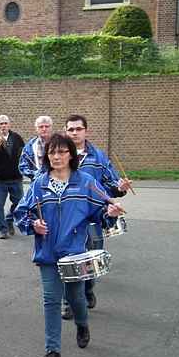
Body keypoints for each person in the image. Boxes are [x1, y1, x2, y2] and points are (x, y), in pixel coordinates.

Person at [15, 133, 125, 357]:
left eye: (62, 151)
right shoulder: (38, 183)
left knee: (76, 297)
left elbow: (102, 212)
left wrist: (110, 214)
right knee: (51, 300)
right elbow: (22, 213)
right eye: (52, 152)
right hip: (47, 253)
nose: (56, 156)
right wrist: (33, 224)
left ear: (71, 155)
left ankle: (82, 323)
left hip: (74, 253)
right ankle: (52, 350)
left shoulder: (85, 182)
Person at [61, 114, 132, 317]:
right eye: (70, 129)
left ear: (86, 131)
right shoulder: (59, 154)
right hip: (66, 217)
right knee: (67, 259)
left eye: (78, 129)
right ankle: (69, 302)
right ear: (66, 131)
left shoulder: (98, 157)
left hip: (93, 215)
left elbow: (112, 183)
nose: (74, 132)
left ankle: (88, 289)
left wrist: (121, 187)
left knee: (91, 257)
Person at [19, 116, 53, 181]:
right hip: (37, 182)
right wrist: (34, 174)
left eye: (47, 126)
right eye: (41, 127)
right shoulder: (30, 146)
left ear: (51, 128)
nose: (44, 129)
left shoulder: (59, 143)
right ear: (36, 129)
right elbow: (22, 166)